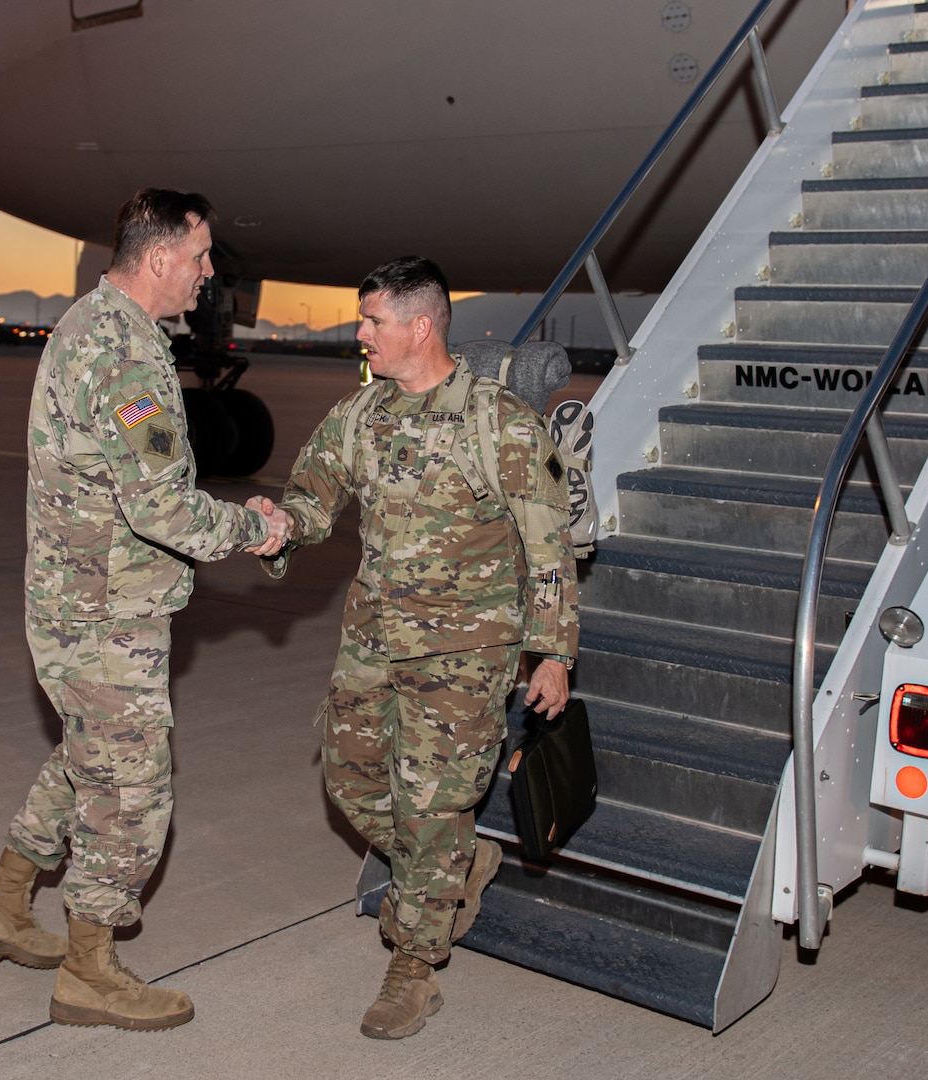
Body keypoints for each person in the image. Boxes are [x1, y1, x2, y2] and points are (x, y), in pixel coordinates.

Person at [0, 188, 290, 1031]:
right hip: (104, 619)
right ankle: (90, 969)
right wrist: (255, 527)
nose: (209, 275)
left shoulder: (87, 324)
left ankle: (1, 906)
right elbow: (163, 509)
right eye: (202, 256)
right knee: (132, 792)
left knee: (86, 762)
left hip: (77, 603)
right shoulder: (127, 356)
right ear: (161, 255)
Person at [260, 255, 577, 1040]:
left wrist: (553, 652)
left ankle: (413, 964)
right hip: (371, 642)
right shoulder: (360, 414)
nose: (361, 334)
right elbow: (314, 493)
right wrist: (280, 526)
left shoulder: (500, 420)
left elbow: (549, 546)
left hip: (465, 659)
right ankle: (452, 868)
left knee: (434, 808)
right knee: (351, 781)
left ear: (421, 325)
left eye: (373, 321)